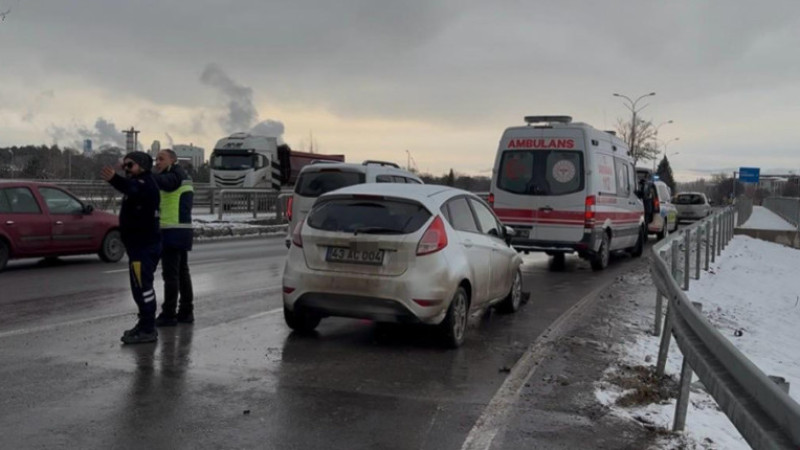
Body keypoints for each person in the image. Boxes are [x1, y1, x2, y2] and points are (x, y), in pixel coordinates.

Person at [101, 152, 161, 344]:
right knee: (138, 287)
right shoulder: (138, 181)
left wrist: (114, 178)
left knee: (142, 288)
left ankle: (148, 328)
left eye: (130, 165)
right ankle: (144, 324)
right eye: (125, 165)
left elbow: (131, 188)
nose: (126, 169)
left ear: (142, 166)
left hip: (143, 247)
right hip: (137, 246)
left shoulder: (145, 183)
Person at [153, 149, 195, 327]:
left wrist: (147, 173)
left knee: (171, 275)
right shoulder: (179, 174)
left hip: (172, 231)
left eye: (161, 159)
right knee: (182, 273)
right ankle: (186, 312)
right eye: (156, 159)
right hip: (180, 230)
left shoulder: (174, 175)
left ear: (172, 160)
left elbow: (166, 183)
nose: (157, 162)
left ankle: (168, 314)